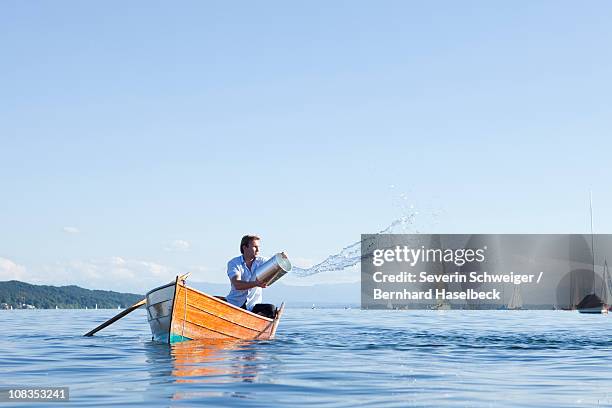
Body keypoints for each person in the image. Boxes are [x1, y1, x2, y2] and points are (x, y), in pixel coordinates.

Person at [226, 234, 276, 318]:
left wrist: (282, 257)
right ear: (245, 247)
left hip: (253, 306)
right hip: (235, 304)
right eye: (255, 247)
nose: (258, 250)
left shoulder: (262, 262)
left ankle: (253, 324)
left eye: (258, 247)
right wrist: (255, 284)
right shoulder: (234, 263)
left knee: (271, 309)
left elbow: (275, 264)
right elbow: (237, 284)